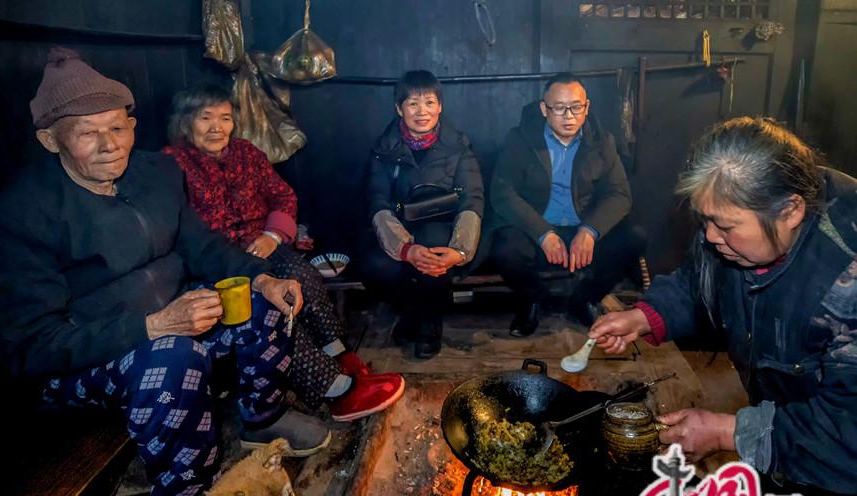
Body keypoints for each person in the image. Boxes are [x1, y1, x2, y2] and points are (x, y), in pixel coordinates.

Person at [0, 48, 307, 496]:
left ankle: (262, 417)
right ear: (50, 139)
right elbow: (30, 346)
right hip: (81, 362)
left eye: (118, 127)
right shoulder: (17, 217)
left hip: (169, 322)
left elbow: (204, 247)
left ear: (132, 124)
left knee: (259, 299)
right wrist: (154, 326)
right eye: (87, 133)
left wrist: (262, 278)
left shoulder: (156, 174)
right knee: (173, 357)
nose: (110, 145)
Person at [589, 117, 857, 496]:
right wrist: (646, 316)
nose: (712, 236)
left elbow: (849, 429)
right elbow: (701, 277)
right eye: (705, 220)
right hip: (790, 421)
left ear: (791, 210)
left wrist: (729, 432)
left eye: (725, 225)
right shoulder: (739, 232)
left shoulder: (847, 283)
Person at [163, 84, 405, 426]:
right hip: (218, 265)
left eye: (225, 118)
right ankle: (334, 389)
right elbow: (183, 234)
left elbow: (282, 196)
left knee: (302, 275)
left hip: (262, 244)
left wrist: (272, 235)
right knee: (274, 308)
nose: (217, 127)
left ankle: (339, 354)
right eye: (206, 118)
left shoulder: (246, 153)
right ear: (186, 122)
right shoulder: (171, 164)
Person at [487, 72, 646, 336]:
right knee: (505, 249)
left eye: (576, 107)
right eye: (559, 108)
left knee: (635, 238)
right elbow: (502, 192)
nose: (569, 116)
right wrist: (542, 232)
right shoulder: (520, 139)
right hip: (538, 228)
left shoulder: (602, 141)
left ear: (587, 107)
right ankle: (533, 300)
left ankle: (584, 299)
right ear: (544, 109)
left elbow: (619, 193)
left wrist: (590, 230)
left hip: (581, 229)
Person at [362, 70, 484, 359]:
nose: (422, 112)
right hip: (399, 228)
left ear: (440, 106)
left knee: (435, 252)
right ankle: (411, 313)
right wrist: (405, 248)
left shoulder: (458, 145)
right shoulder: (384, 148)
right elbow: (377, 201)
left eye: (429, 102)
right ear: (399, 108)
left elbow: (473, 198)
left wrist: (460, 250)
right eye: (412, 103)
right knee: (377, 265)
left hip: (444, 227)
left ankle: (429, 324)